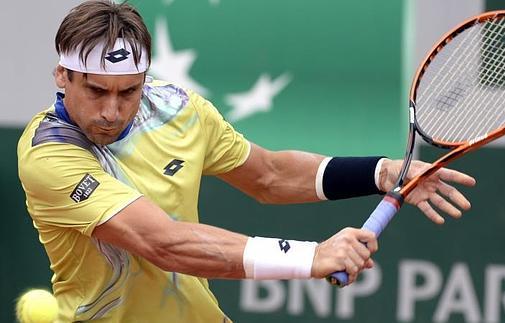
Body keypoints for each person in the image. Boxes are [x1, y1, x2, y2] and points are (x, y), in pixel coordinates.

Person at [17, 1, 476, 322]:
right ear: (62, 75)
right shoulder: (49, 154)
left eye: (128, 91)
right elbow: (165, 244)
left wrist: (380, 172)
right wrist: (311, 256)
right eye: (96, 91)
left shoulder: (177, 109)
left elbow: (269, 176)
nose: (112, 112)